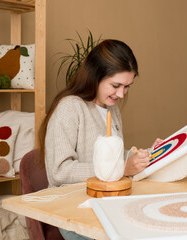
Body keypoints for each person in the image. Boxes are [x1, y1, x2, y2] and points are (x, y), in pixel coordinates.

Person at [39, 39, 162, 240]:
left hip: (107, 202)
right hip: (74, 212)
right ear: (96, 75)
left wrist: (145, 154)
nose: (121, 94)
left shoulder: (110, 108)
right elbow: (59, 172)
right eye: (116, 85)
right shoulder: (69, 108)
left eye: (127, 87)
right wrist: (122, 168)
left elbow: (111, 156)